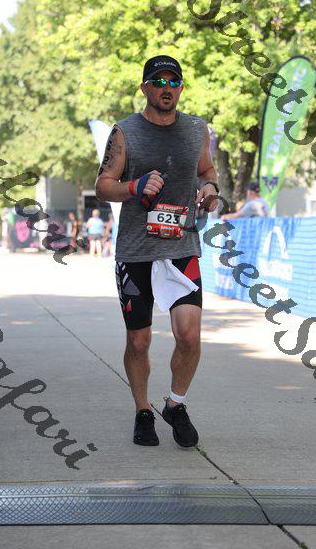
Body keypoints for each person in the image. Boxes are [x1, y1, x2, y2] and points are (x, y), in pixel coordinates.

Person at [95, 54, 219, 448]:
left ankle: (175, 404)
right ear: (145, 87)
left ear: (181, 87)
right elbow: (103, 185)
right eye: (159, 81)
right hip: (136, 250)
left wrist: (210, 189)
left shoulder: (197, 130)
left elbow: (207, 171)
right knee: (139, 341)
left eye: (173, 82)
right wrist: (134, 186)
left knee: (190, 336)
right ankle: (142, 411)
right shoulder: (125, 132)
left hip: (182, 246)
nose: (167, 88)